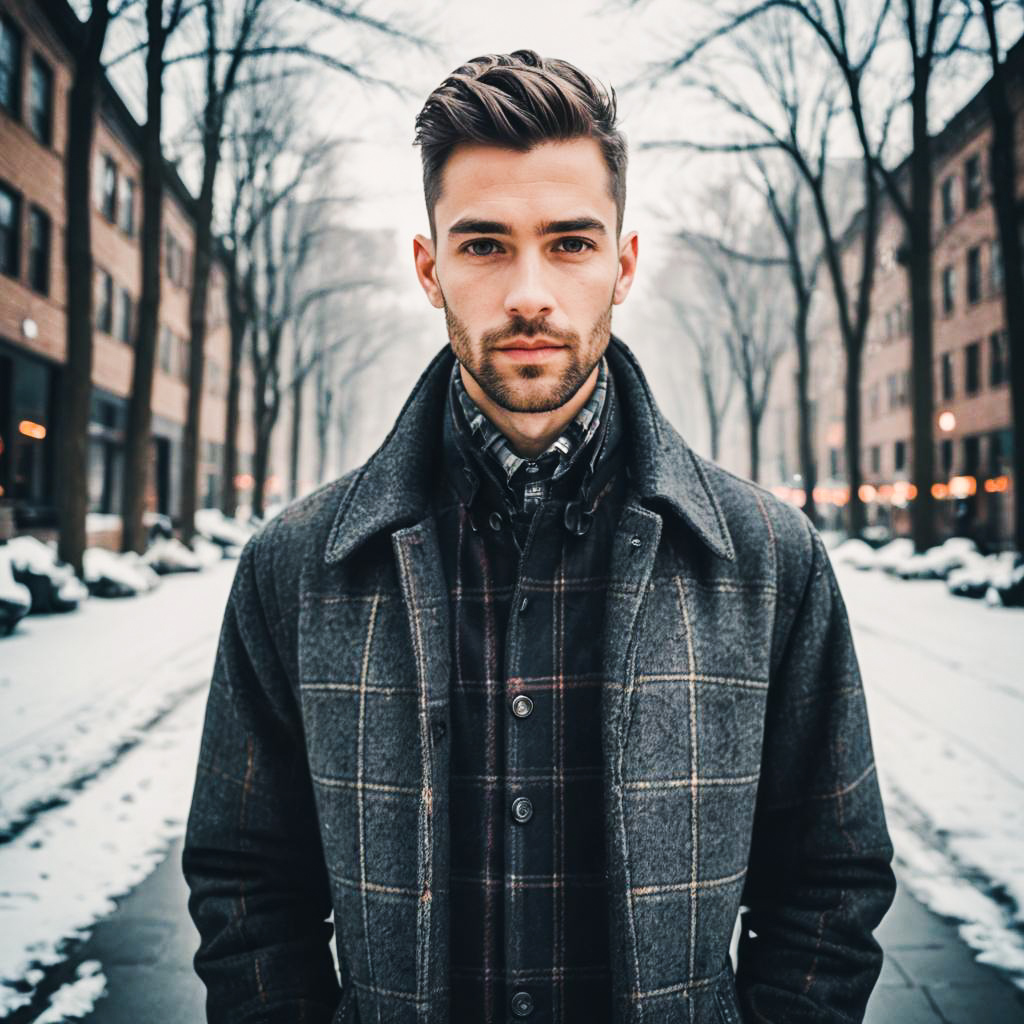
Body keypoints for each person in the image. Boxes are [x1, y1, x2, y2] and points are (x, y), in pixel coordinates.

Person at [182, 50, 897, 1024]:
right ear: (428, 265)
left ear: (623, 263)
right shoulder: (296, 568)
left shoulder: (769, 562)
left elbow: (831, 880)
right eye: (483, 245)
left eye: (568, 243)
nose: (529, 293)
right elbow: (244, 884)